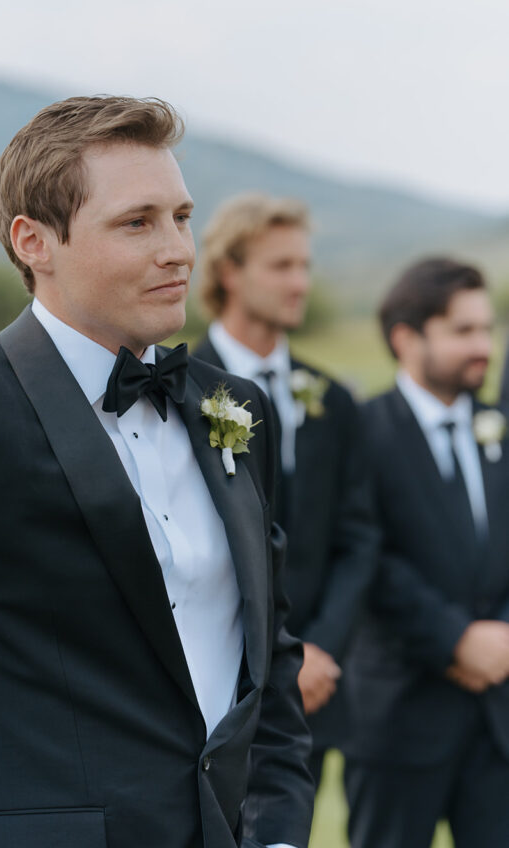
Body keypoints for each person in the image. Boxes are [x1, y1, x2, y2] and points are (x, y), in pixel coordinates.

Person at [0, 97, 314, 848]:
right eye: (136, 222)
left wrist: (277, 828)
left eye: (181, 217)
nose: (179, 250)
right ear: (33, 242)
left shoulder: (231, 404)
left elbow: (268, 649)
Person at [192, 193, 377, 787]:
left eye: (304, 266)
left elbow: (358, 536)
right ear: (229, 272)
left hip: (316, 684)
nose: (300, 282)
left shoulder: (333, 398)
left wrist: (318, 651)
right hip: (219, 688)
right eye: (280, 266)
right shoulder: (182, 393)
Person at [343, 257, 509, 848]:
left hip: (498, 719)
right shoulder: (361, 431)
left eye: (487, 329)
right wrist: (456, 639)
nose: (483, 346)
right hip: (398, 717)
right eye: (463, 331)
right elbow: (366, 556)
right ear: (406, 338)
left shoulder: (499, 426)